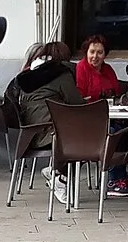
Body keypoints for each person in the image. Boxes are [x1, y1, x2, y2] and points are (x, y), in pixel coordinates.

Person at [5, 42, 83, 206]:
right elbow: (77, 104)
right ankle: (59, 176)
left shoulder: (26, 76)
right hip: (51, 134)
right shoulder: (62, 74)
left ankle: (57, 172)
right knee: (89, 139)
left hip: (28, 135)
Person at [73, 35, 128, 196]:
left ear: (105, 55)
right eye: (92, 52)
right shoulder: (81, 68)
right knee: (113, 132)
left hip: (109, 115)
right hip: (88, 120)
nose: (95, 56)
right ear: (86, 52)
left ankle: (122, 175)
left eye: (100, 52)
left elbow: (115, 93)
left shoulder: (108, 70)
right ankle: (112, 179)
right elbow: (79, 98)